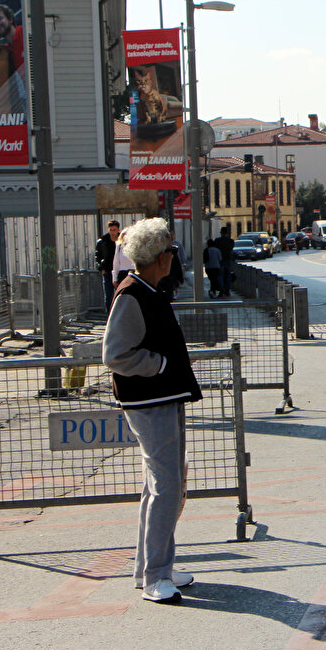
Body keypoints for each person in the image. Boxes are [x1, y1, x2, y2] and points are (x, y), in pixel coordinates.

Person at [101, 217, 202, 604]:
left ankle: (154, 566)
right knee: (166, 487)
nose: (174, 256)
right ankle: (155, 576)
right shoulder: (132, 294)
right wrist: (158, 366)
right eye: (171, 250)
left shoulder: (148, 289)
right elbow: (115, 354)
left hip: (162, 397)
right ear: (159, 256)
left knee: (162, 486)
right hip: (149, 400)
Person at [95, 220, 121, 305]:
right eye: (111, 230)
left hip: (120, 271)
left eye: (114, 230)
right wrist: (102, 269)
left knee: (121, 295)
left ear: (118, 230)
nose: (112, 232)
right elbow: (97, 256)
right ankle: (109, 312)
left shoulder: (123, 241)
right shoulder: (103, 241)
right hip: (108, 271)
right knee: (109, 296)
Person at [157, 230, 184, 302]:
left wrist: (180, 278)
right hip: (167, 278)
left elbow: (178, 265)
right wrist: (180, 278)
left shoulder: (170, 250)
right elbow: (178, 266)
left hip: (165, 278)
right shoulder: (170, 251)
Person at [215, 226, 234, 297]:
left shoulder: (217, 241)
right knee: (228, 275)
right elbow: (231, 249)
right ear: (227, 233)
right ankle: (227, 290)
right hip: (228, 259)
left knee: (220, 275)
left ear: (221, 233)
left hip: (220, 260)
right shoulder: (231, 241)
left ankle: (221, 289)